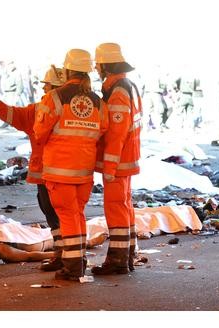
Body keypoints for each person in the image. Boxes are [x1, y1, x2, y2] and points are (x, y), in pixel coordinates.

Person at [0, 66, 65, 271]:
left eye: (46, 86)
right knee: (66, 216)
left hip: (50, 174)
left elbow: (13, 115)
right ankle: (68, 255)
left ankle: (66, 256)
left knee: (55, 215)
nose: (44, 90)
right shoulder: (76, 110)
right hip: (72, 174)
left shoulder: (39, 110)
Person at [33, 49, 109, 281]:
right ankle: (79, 259)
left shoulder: (54, 97)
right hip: (84, 170)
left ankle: (73, 265)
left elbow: (39, 132)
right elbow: (103, 129)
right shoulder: (97, 101)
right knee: (78, 214)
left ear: (66, 70)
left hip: (59, 170)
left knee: (67, 216)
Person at [93, 43, 142, 275]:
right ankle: (128, 254)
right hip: (127, 157)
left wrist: (109, 165)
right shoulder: (127, 86)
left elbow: (116, 133)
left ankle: (118, 261)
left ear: (105, 65)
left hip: (119, 160)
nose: (95, 67)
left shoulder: (119, 90)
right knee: (124, 205)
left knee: (116, 207)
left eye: (98, 64)